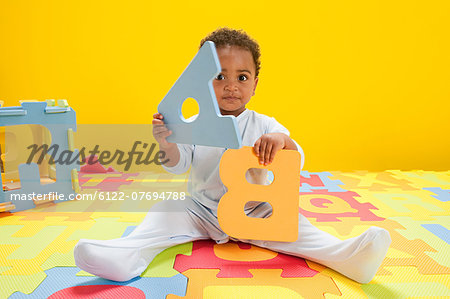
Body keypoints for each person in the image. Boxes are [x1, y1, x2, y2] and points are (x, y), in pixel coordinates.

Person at [74, 27, 391, 284]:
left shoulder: (265, 124)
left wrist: (281, 141)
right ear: (202, 84)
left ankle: (348, 257)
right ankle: (126, 256)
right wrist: (166, 143)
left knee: (297, 225)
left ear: (254, 84)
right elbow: (178, 165)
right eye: (219, 76)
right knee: (163, 211)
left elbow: (298, 158)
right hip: (200, 210)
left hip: (254, 211)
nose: (231, 86)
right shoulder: (193, 121)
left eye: (242, 77)